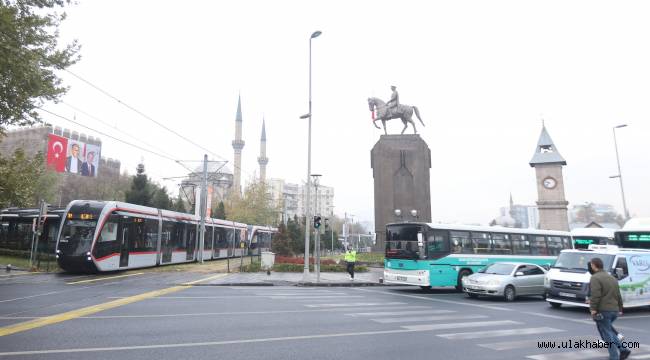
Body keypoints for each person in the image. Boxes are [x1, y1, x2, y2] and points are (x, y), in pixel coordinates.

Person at [589, 258, 631, 360]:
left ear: (594, 265)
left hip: (603, 310)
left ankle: (614, 357)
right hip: (614, 310)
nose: (591, 266)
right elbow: (618, 294)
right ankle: (623, 350)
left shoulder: (595, 278)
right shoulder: (612, 278)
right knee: (609, 331)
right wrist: (620, 308)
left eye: (591, 265)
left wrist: (593, 309)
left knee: (607, 335)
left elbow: (595, 295)